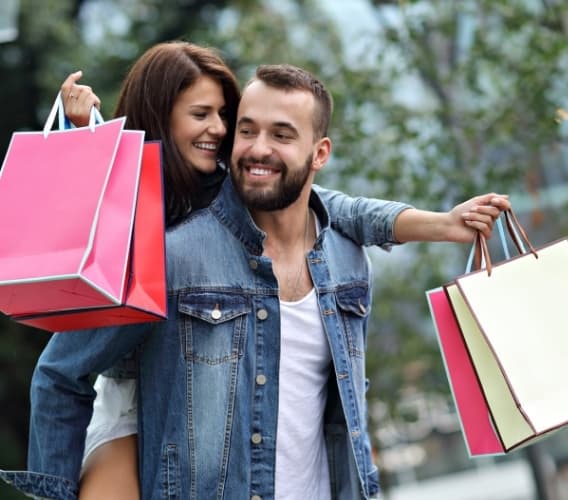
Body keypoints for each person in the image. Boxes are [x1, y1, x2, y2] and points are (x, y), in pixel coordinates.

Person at [0, 49, 508, 499]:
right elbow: (62, 369)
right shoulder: (135, 200)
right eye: (204, 115)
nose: (219, 130)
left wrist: (439, 224)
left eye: (226, 117)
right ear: (162, 118)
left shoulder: (253, 195)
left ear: (319, 153)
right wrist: (80, 126)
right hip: (134, 394)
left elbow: (331, 204)